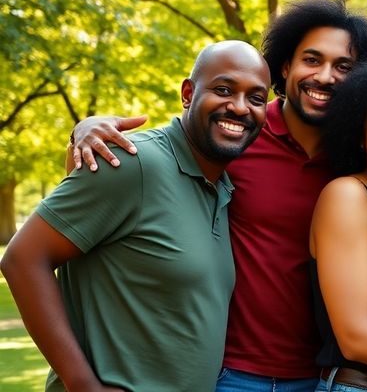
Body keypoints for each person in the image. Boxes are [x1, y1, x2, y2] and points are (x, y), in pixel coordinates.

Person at [67, 0, 367, 390]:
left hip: (321, 377)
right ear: (286, 66)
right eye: (313, 60)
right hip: (229, 373)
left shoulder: (355, 158)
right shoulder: (234, 133)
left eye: (344, 67)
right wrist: (85, 128)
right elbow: (148, 166)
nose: (326, 76)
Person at [1, 41, 270, 391]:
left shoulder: (222, 188)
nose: (239, 107)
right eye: (223, 89)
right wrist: (82, 383)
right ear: (188, 94)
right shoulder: (133, 162)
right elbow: (23, 259)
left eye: (256, 98)